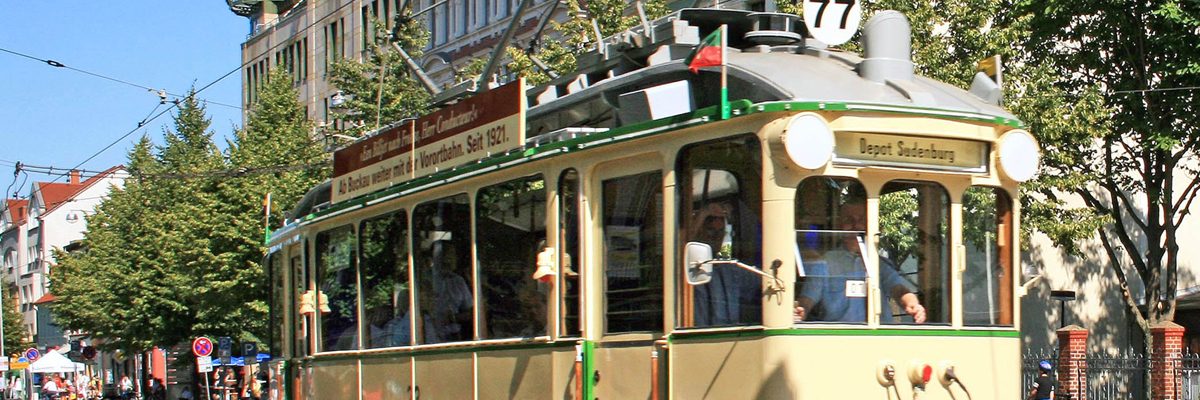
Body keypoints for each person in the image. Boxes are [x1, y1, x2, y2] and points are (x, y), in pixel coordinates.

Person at [794, 202, 926, 323]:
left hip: (878, 339)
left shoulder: (880, 264)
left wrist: (912, 304)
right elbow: (808, 297)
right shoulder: (825, 262)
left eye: (861, 220)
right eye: (848, 220)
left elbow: (899, 289)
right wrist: (801, 311)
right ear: (839, 226)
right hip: (837, 338)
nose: (855, 225)